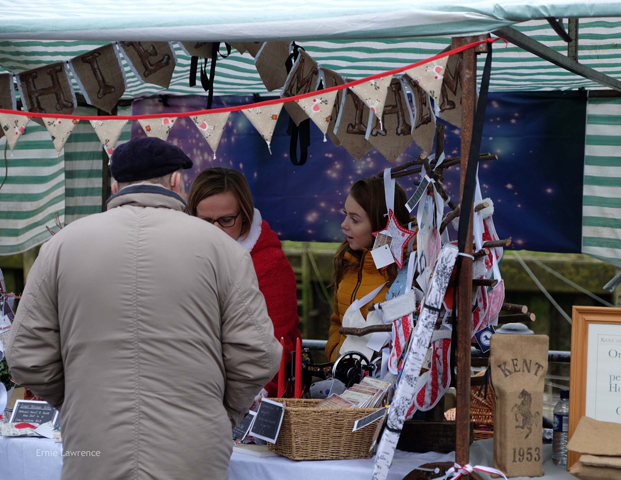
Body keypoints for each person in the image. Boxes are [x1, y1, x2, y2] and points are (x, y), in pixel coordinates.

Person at [6, 137, 281, 480]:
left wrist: (80, 402)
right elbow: (259, 355)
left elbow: (24, 354)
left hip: (92, 445)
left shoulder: (61, 246)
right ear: (177, 181)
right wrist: (219, 412)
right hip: (193, 447)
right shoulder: (223, 250)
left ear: (114, 185)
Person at [187, 168, 301, 397]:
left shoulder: (271, 264)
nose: (215, 230)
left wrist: (246, 401)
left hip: (250, 398)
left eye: (226, 220)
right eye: (205, 221)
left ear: (245, 216)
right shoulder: (179, 257)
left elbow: (279, 347)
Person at [325, 176, 411, 361]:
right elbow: (336, 321)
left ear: (382, 226)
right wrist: (334, 354)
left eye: (354, 220)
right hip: (344, 380)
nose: (344, 225)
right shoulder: (346, 263)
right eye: (345, 214)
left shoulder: (409, 272)